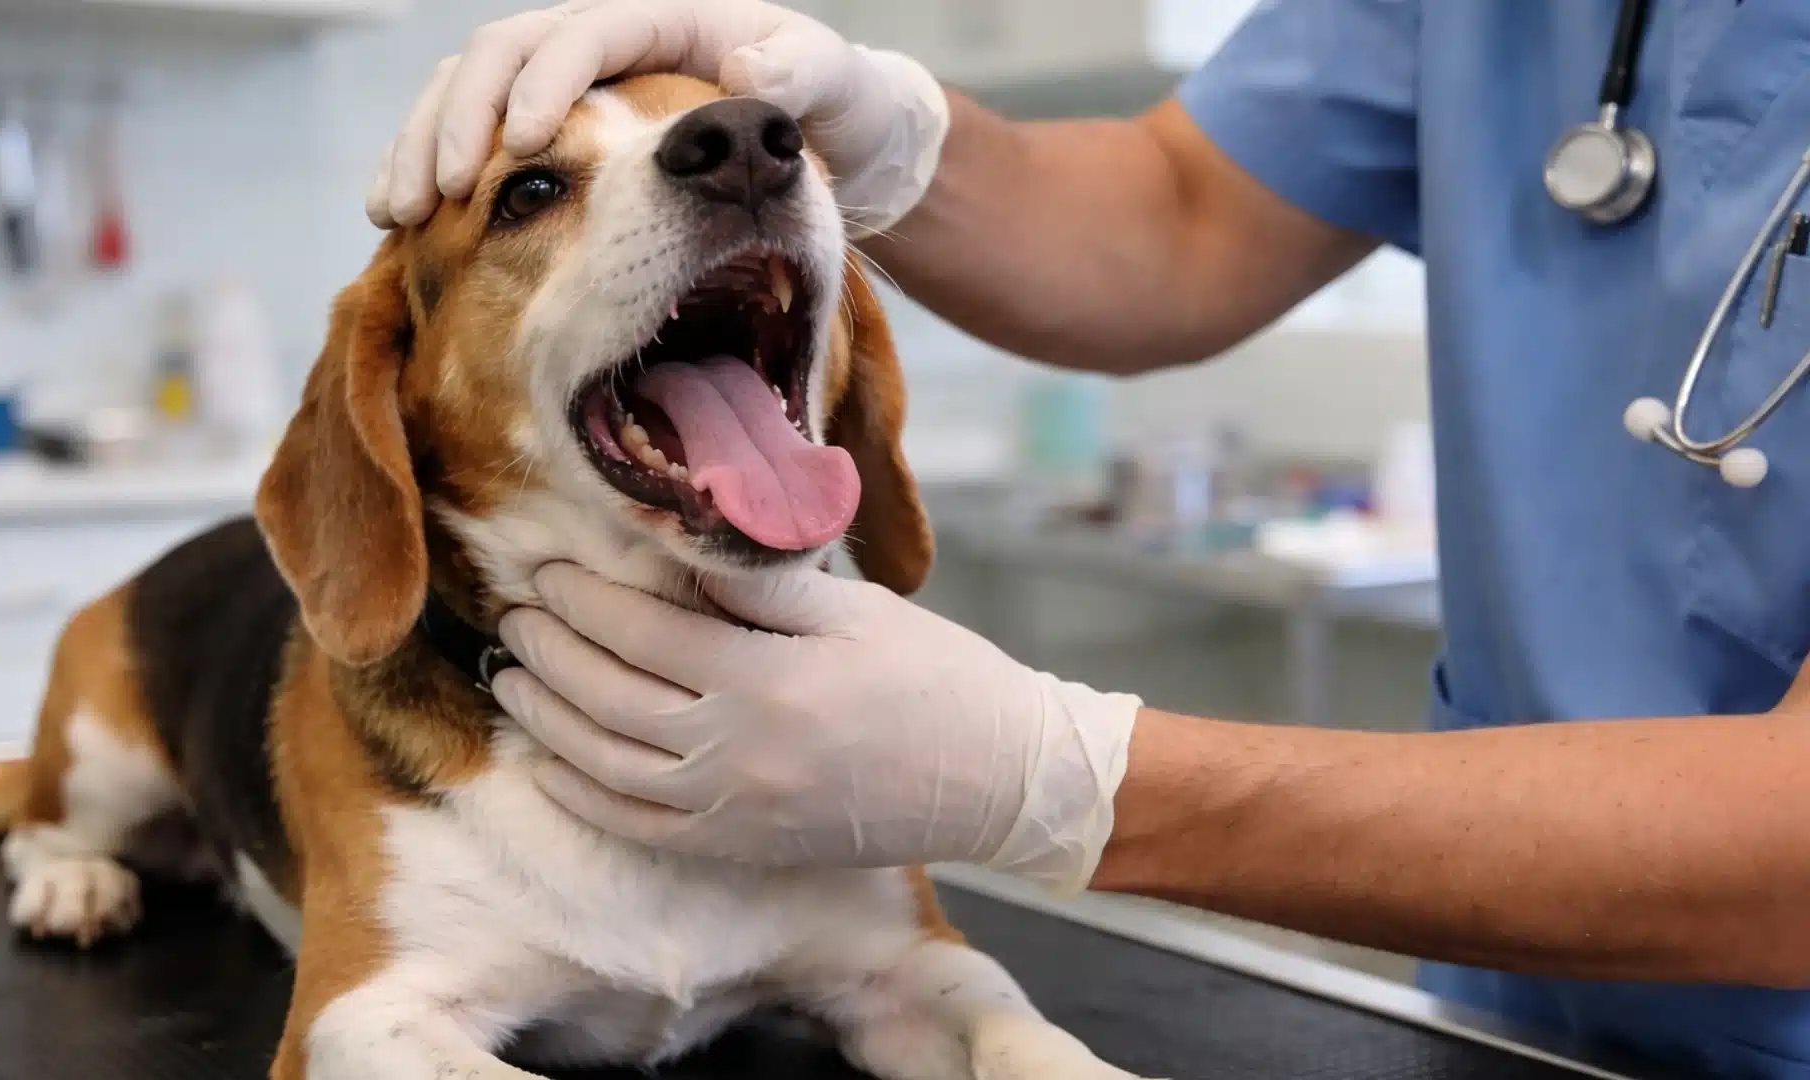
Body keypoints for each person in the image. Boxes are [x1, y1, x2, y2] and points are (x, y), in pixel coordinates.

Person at [366, 3, 1810, 1076]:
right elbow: (1181, 214)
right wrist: (897, 122)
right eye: (539, 192)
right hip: (1508, 1002)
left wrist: (1063, 780)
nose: (739, 153)